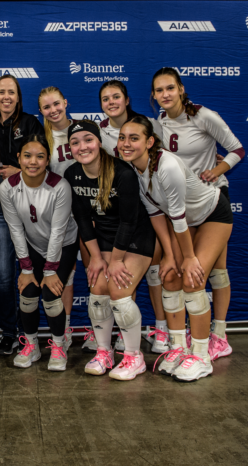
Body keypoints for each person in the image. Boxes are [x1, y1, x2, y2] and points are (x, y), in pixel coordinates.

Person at [119, 115, 233, 382]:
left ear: (149, 142)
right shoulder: (133, 169)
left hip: (212, 215)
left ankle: (202, 357)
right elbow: (157, 214)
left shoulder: (166, 165)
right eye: (123, 137)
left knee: (193, 280)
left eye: (134, 138)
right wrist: (171, 255)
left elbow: (178, 217)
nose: (126, 143)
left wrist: (190, 258)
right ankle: (179, 349)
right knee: (169, 275)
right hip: (181, 223)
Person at [151, 68, 244, 360]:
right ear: (153, 96)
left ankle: (218, 335)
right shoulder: (159, 123)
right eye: (159, 90)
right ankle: (189, 334)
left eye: (170, 88)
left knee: (215, 271)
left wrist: (216, 170)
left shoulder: (204, 116)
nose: (165, 95)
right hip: (182, 206)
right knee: (183, 271)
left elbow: (237, 149)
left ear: (181, 89)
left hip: (212, 198)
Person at [65, 121, 155, 380]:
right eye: (75, 142)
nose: (83, 147)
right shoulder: (72, 174)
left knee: (119, 290)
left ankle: (133, 357)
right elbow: (83, 220)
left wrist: (115, 260)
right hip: (102, 238)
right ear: (70, 148)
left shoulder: (122, 172)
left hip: (135, 236)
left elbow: (128, 221)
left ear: (99, 141)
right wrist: (95, 256)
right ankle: (104, 351)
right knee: (97, 291)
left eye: (88, 140)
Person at [98, 80, 168, 354]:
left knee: (155, 270)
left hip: (153, 206)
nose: (111, 102)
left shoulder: (149, 124)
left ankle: (161, 328)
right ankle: (129, 331)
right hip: (121, 211)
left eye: (116, 97)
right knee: (126, 274)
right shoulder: (100, 133)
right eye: (105, 99)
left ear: (127, 100)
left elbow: (165, 159)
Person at [0, 135, 79, 371]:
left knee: (51, 295)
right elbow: (15, 228)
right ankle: (31, 345)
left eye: (40, 157)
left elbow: (58, 231)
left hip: (63, 244)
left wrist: (51, 270)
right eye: (27, 156)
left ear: (47, 161)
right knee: (28, 292)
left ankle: (58, 345)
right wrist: (25, 267)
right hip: (33, 245)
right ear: (18, 158)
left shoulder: (59, 186)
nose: (33, 162)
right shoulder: (8, 187)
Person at [0, 75, 44, 355]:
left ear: (18, 96)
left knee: (30, 272)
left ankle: (29, 334)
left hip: (31, 213)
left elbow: (41, 159)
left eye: (11, 92)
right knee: (2, 276)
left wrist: (19, 171)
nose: (6, 96)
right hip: (0, 212)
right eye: (1, 92)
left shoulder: (31, 122)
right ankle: (9, 333)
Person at [38, 86, 80, 349]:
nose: (53, 110)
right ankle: (62, 334)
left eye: (56, 104)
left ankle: (111, 334)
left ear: (65, 102)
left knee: (101, 271)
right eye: (46, 107)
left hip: (86, 209)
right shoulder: (42, 136)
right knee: (65, 275)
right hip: (57, 214)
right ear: (41, 111)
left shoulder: (83, 129)